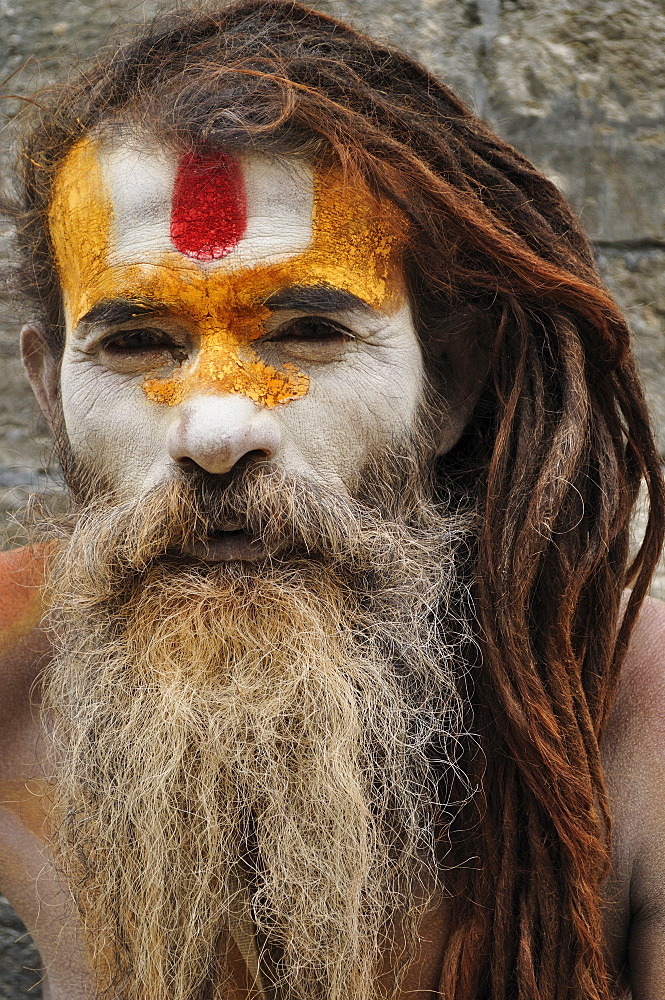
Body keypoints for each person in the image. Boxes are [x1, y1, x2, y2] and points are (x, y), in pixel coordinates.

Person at [0, 2, 664, 998]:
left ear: (447, 382)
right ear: (51, 390)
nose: (216, 431)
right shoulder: (13, 664)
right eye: (137, 342)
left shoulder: (632, 717)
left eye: (307, 331)